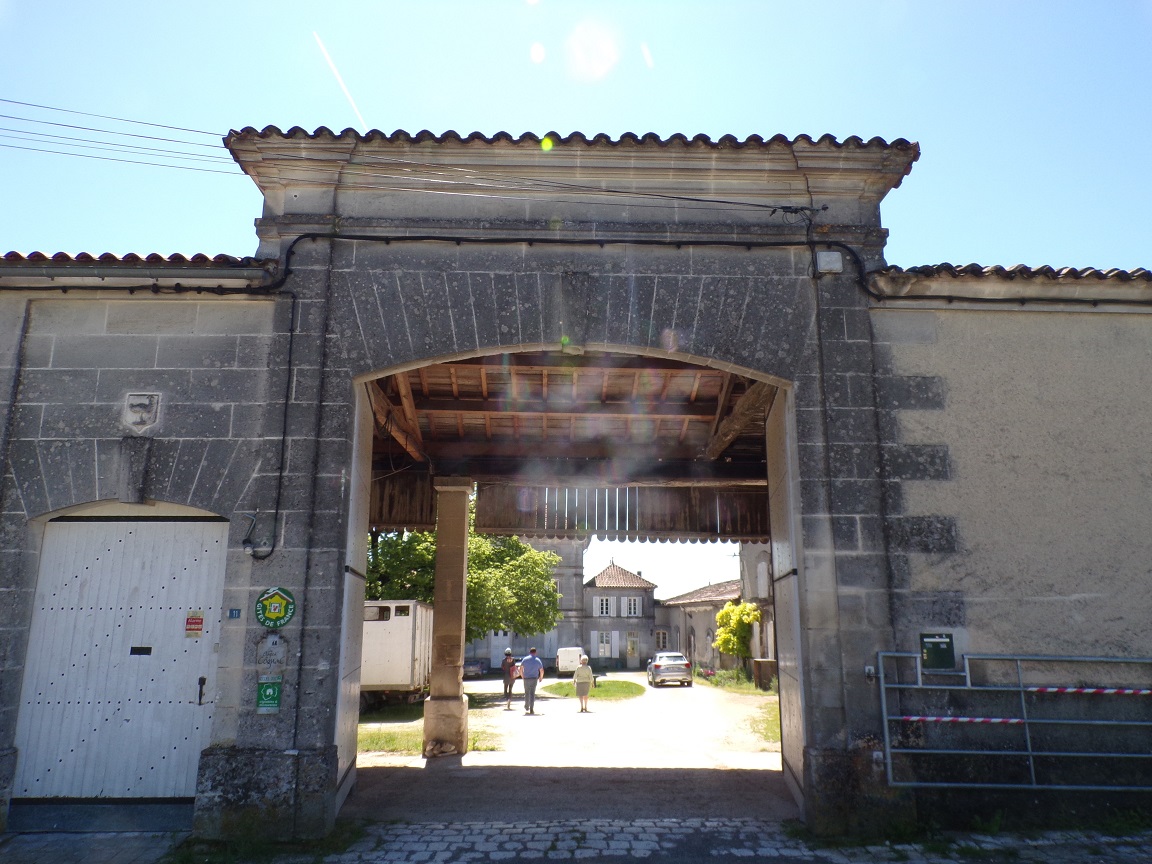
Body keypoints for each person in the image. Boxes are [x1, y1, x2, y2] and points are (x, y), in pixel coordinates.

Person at [519, 647, 545, 715]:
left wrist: (522, 676)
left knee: (527, 692)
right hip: (534, 678)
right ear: (535, 652)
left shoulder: (525, 659)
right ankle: (531, 708)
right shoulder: (537, 660)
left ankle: (527, 706)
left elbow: (521, 668)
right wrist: (541, 677)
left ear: (529, 652)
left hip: (526, 678)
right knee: (532, 693)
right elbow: (541, 670)